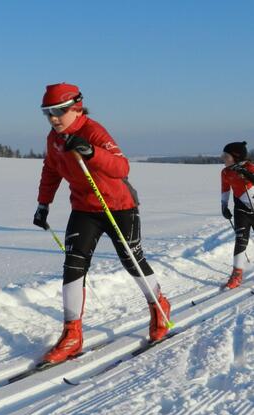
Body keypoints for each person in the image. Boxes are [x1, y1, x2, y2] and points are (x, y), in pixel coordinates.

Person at [33, 82, 171, 364]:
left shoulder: (93, 131)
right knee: (73, 264)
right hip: (84, 208)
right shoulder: (54, 138)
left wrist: (91, 152)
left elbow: (122, 167)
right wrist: (43, 203)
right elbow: (51, 169)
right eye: (47, 113)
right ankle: (72, 334)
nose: (53, 118)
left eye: (58, 111)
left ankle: (160, 307)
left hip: (118, 205)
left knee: (131, 259)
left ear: (76, 107)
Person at [221, 141, 254, 288]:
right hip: (241, 209)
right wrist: (224, 206)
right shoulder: (226, 172)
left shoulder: (250, 167)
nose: (222, 158)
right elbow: (225, 189)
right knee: (241, 240)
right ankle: (237, 274)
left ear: (236, 157)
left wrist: (247, 174)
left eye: (226, 156)